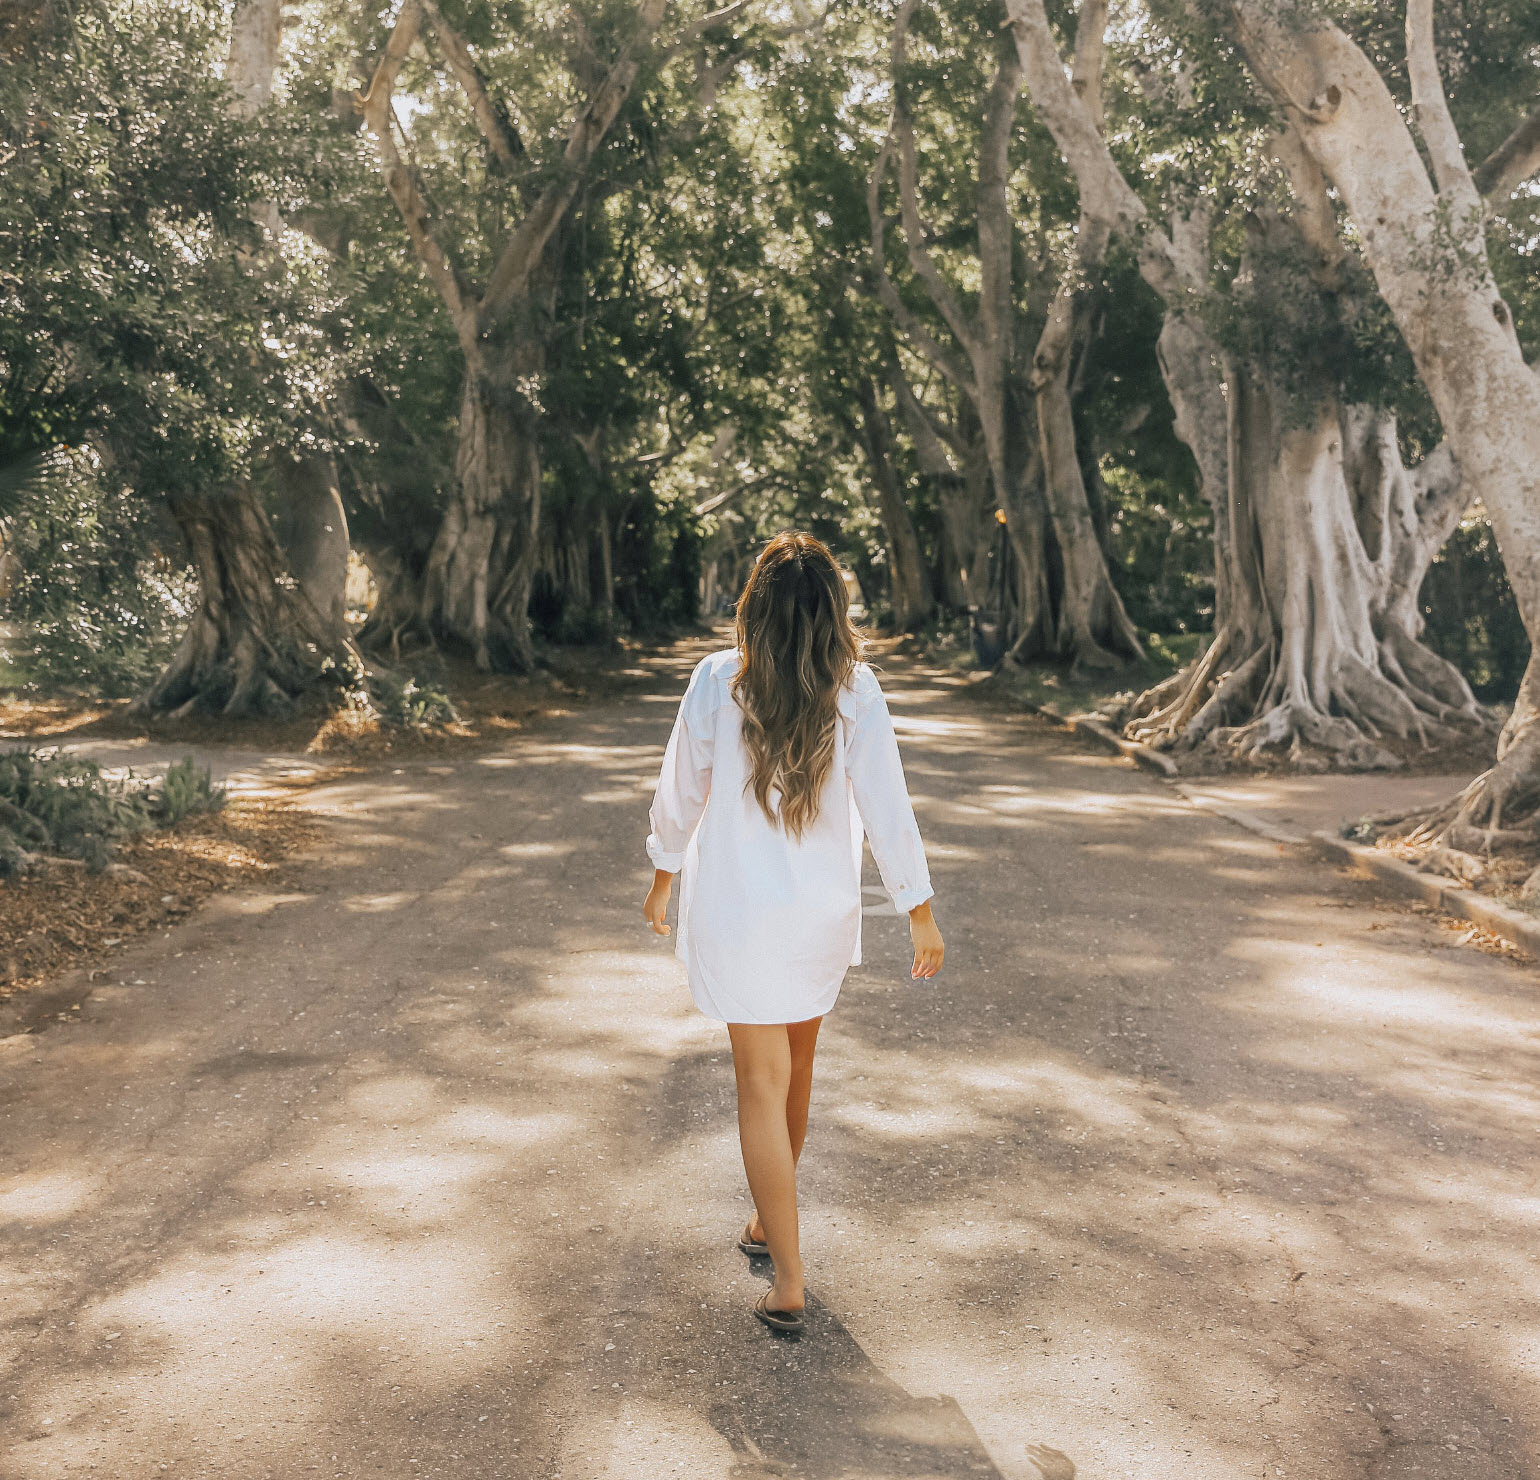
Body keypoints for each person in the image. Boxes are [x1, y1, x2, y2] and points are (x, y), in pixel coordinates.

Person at [642, 530, 944, 1336]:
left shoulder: (717, 681)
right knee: (797, 1068)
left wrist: (663, 873)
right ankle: (768, 1226)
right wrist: (917, 907)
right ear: (833, 614)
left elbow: (681, 790)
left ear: (755, 607)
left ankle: (790, 1280)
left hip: (741, 913)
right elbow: (889, 806)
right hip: (818, 914)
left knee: (759, 1088)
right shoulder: (858, 690)